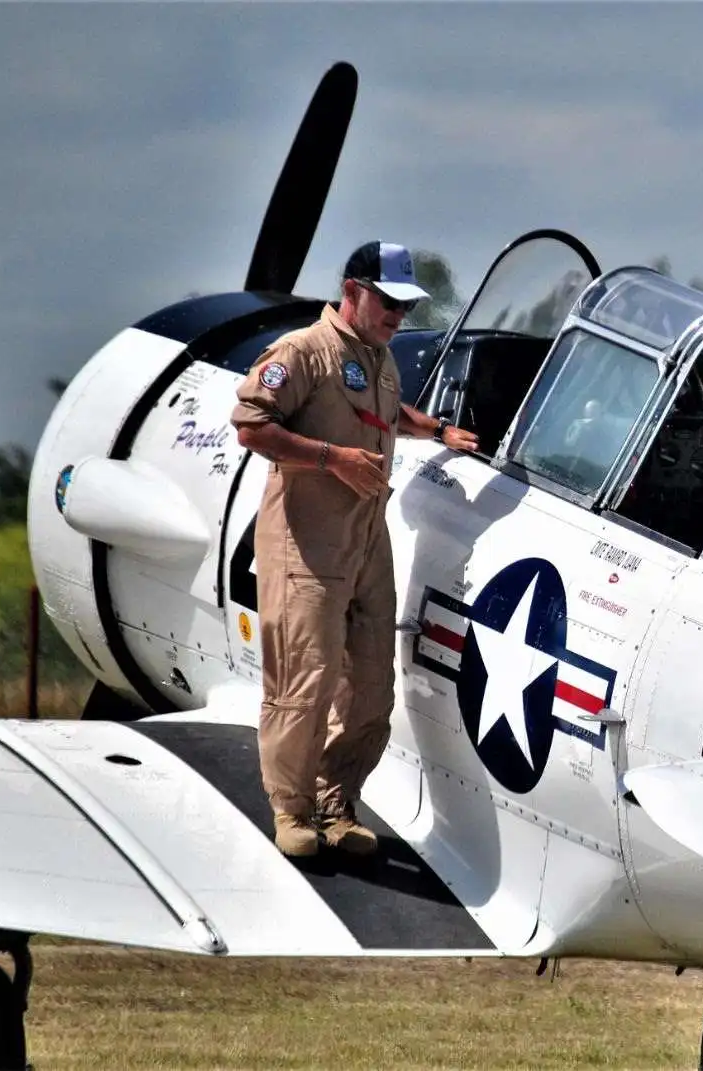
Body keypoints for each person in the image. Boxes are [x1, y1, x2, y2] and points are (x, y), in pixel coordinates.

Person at [230, 240, 479, 858]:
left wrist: (438, 430)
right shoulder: (301, 351)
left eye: (406, 305)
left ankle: (336, 802)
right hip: (306, 544)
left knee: (371, 684)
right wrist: (331, 459)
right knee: (304, 682)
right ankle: (292, 812)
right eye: (388, 301)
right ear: (352, 292)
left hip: (366, 541)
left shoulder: (379, 358)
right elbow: (251, 425)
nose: (399, 314)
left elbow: (387, 414)